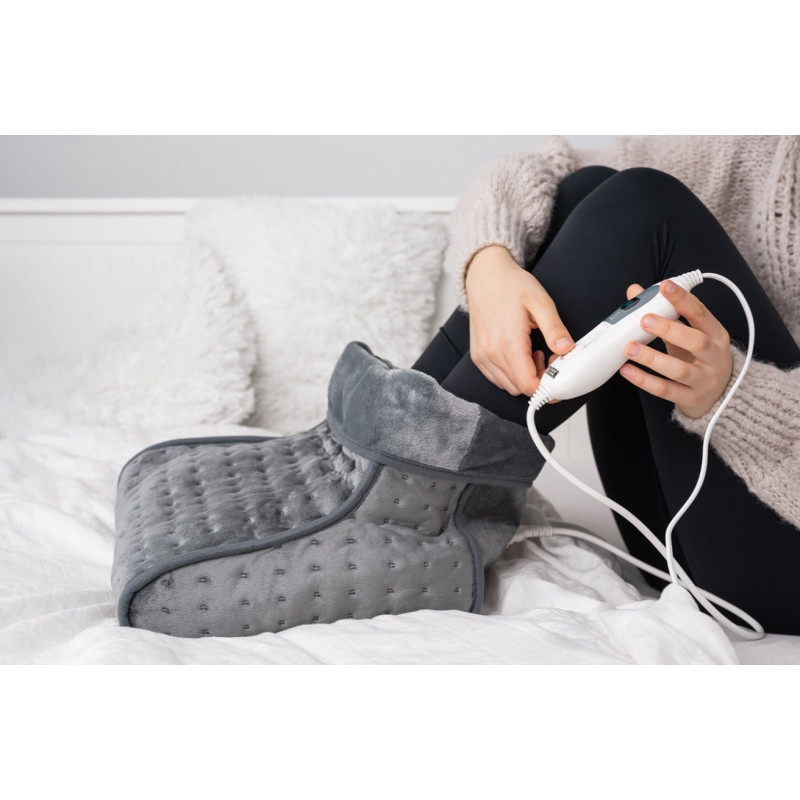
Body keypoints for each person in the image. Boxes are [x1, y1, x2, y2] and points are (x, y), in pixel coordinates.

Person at [412, 135, 800, 635]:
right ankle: (379, 466)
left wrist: (736, 399)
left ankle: (393, 492)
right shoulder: (757, 146)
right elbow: (538, 171)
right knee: (590, 190)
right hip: (675, 533)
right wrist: (488, 261)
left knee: (646, 203)